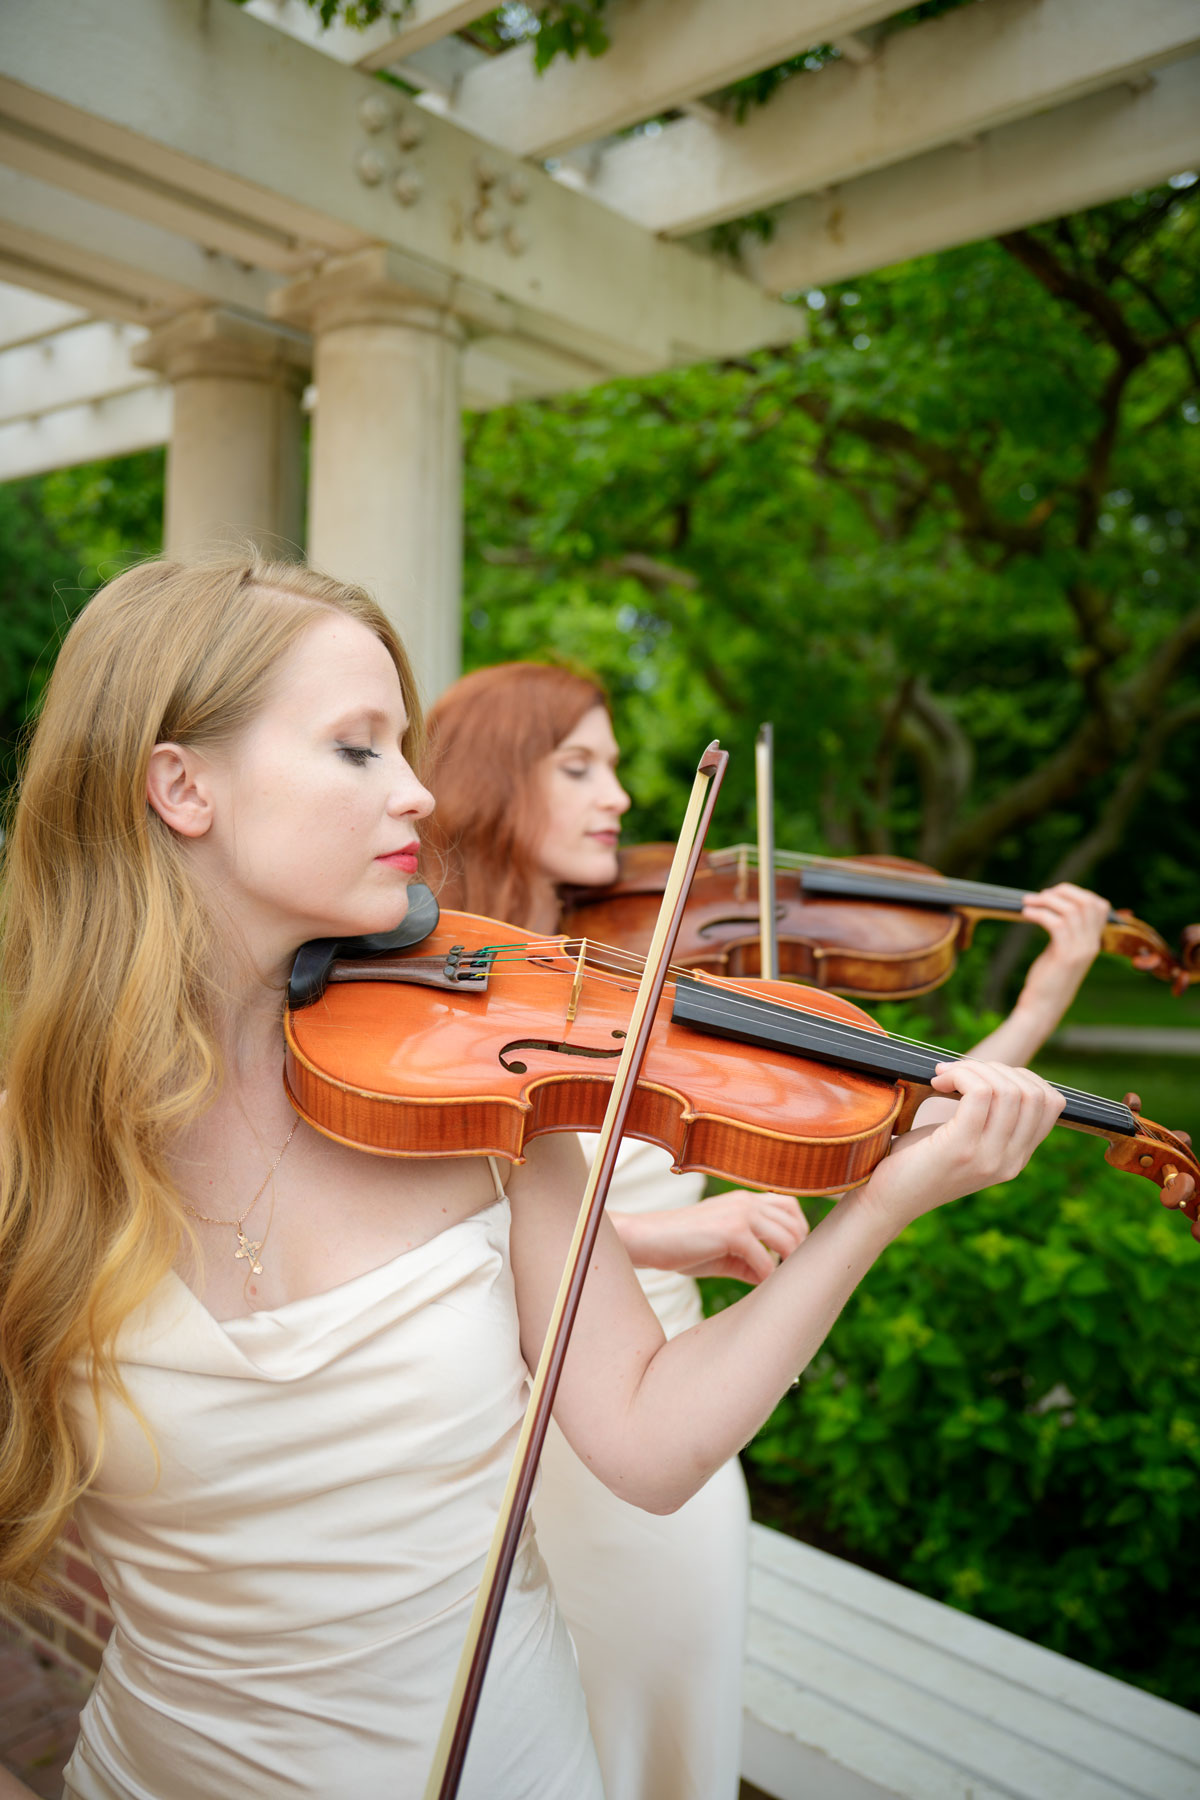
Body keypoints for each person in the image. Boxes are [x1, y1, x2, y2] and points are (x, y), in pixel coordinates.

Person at [0, 560, 1066, 1800]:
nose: (419, 790)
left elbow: (653, 1444)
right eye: (357, 749)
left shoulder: (479, 1105)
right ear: (182, 786)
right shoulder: (38, 1153)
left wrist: (878, 1206)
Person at [423, 659, 1112, 1800]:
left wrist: (1039, 1005)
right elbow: (450, 1229)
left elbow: (880, 1129)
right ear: (495, 779)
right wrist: (665, 1242)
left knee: (663, 1729)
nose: (621, 799)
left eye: (613, 765)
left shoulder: (657, 970)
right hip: (535, 1430)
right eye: (578, 765)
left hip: (678, 1400)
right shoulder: (440, 1003)